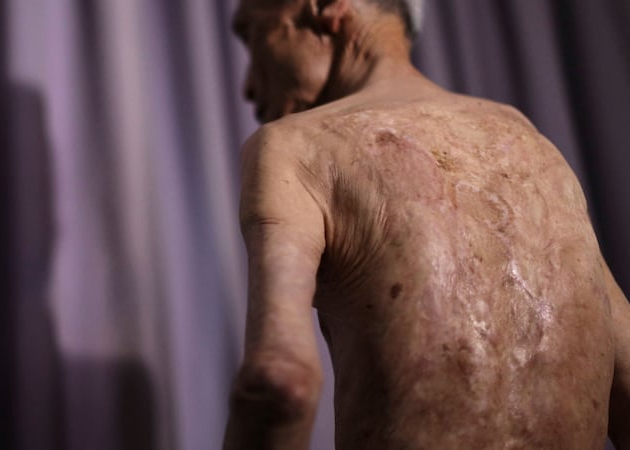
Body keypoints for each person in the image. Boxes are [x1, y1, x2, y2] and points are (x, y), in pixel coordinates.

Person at [221, 0, 630, 448]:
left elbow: (280, 385)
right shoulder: (527, 138)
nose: (245, 85)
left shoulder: (294, 146)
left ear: (325, 8)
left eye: (254, 33)